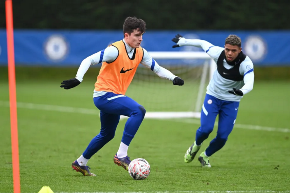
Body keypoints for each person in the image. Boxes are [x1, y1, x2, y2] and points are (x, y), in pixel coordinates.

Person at [60, 17, 184, 176]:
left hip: (114, 97)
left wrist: (173, 78)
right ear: (126, 35)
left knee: (107, 134)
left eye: (142, 35)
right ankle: (121, 155)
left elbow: (157, 69)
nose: (140, 39)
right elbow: (89, 59)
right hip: (104, 95)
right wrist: (78, 78)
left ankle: (80, 162)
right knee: (138, 111)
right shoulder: (115, 50)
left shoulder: (140, 52)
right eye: (137, 35)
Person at [172, 34, 254, 167]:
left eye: (233, 50)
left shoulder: (246, 63)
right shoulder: (218, 53)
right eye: (227, 49)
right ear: (224, 48)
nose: (229, 53)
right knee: (206, 129)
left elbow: (249, 83)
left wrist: (242, 91)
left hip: (231, 101)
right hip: (213, 97)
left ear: (240, 50)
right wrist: (184, 41)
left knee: (222, 137)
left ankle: (205, 156)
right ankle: (196, 146)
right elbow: (203, 43)